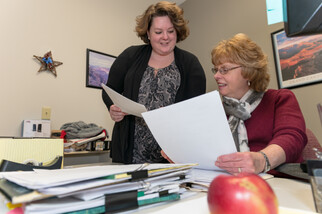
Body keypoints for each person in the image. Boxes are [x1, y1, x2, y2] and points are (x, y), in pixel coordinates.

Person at [102, 1, 206, 164]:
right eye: (158, 31)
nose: (165, 37)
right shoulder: (130, 55)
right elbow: (109, 90)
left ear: (177, 32)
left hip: (171, 157)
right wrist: (113, 108)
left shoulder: (190, 64)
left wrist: (175, 116)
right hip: (128, 154)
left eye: (170, 31)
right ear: (148, 34)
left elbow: (197, 111)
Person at [211, 33, 307, 176]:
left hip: (279, 181)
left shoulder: (279, 99)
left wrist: (262, 160)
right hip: (232, 184)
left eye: (224, 69)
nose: (216, 76)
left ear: (248, 72)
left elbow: (292, 138)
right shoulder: (216, 113)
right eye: (216, 69)